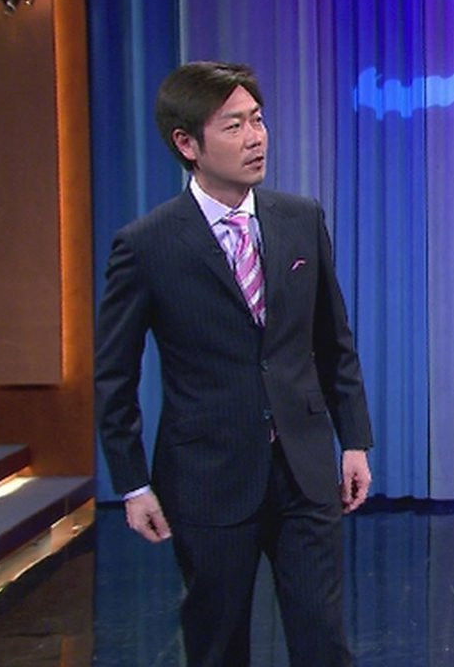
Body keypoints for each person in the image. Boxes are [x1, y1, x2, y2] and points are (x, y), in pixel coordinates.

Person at [95, 61, 373, 667]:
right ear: (187, 144)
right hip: (207, 476)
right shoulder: (146, 245)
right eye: (234, 126)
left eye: (258, 120)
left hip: (304, 468)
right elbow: (114, 376)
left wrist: (354, 440)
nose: (255, 138)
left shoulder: (300, 218)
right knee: (217, 645)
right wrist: (133, 482)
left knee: (324, 642)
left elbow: (333, 340)